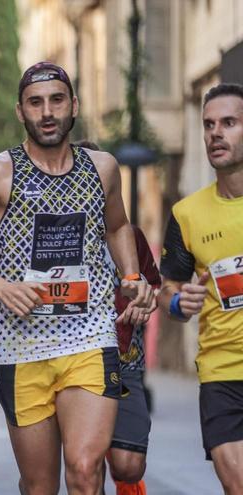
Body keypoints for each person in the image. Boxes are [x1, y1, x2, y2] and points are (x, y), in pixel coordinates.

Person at [0, 62, 153, 494]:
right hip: (22, 346)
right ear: (21, 111)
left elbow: (117, 227)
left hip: (90, 337)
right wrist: (0, 288)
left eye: (57, 100)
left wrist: (130, 275)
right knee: (39, 485)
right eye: (36, 103)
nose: (48, 111)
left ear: (73, 105)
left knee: (86, 467)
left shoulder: (103, 168)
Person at [158, 82, 243, 494]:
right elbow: (166, 291)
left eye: (229, 123)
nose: (216, 133)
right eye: (209, 124)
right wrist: (178, 301)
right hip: (221, 371)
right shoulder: (186, 214)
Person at [74, 140, 160, 495]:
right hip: (68, 358)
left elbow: (152, 286)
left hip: (122, 360)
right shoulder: (54, 234)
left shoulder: (131, 237)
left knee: (128, 464)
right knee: (84, 466)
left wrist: (145, 300)